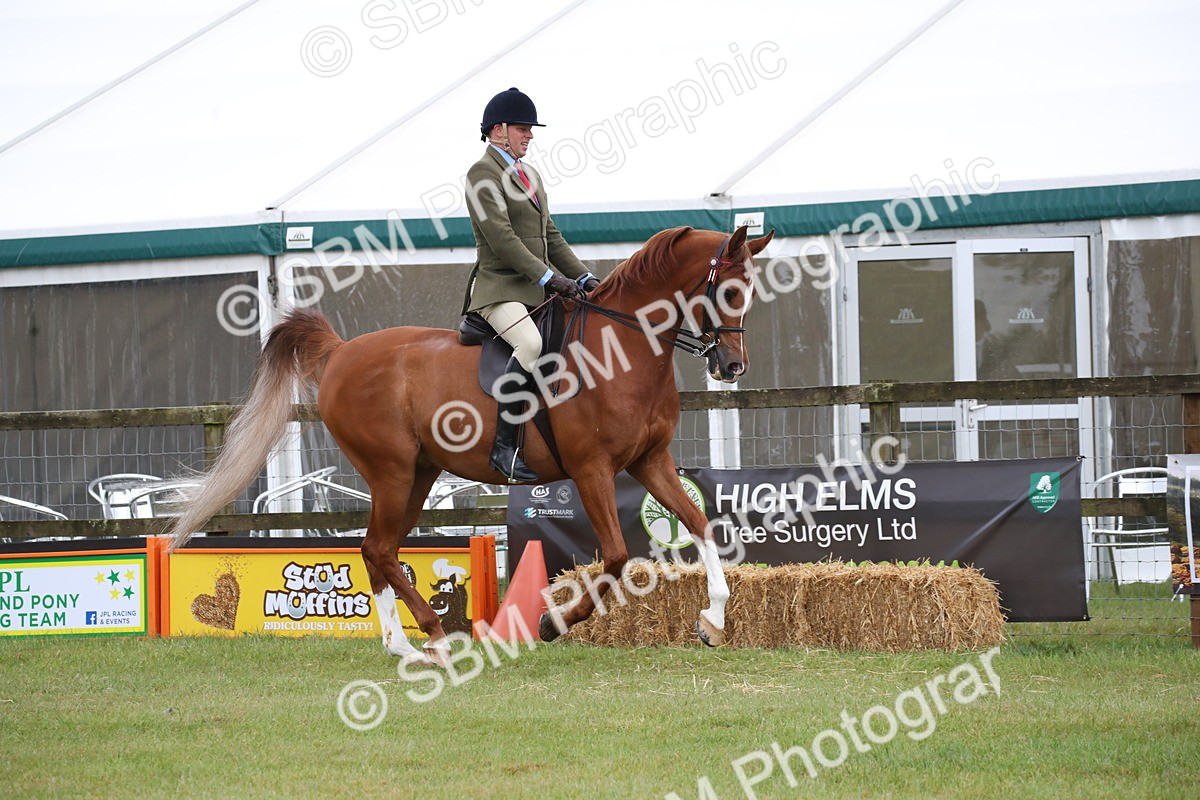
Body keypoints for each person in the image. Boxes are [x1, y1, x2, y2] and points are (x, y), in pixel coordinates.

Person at [461, 87, 599, 483]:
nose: (530, 136)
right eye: (523, 128)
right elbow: (502, 238)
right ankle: (503, 449)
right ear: (498, 130)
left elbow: (549, 235)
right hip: (498, 290)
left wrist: (581, 276)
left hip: (538, 290)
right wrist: (549, 278)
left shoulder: (530, 174)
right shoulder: (481, 174)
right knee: (531, 344)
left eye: (529, 129)